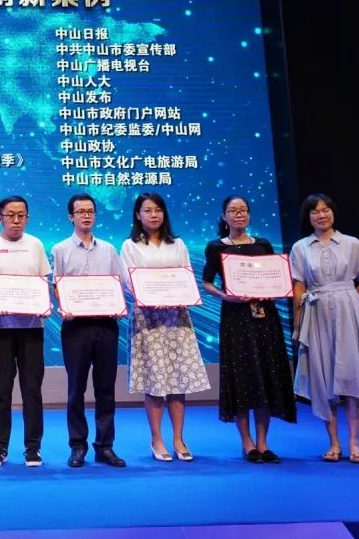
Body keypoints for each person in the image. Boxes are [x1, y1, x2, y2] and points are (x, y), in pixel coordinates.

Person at [291, 193, 359, 463]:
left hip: (349, 314)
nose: (321, 215)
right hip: (316, 313)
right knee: (324, 377)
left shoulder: (352, 243)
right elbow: (298, 286)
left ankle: (355, 443)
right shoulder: (300, 247)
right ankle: (333, 443)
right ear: (308, 217)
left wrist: (348, 298)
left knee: (352, 374)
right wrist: (298, 325)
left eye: (326, 210)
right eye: (315, 211)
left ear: (333, 213)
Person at [200, 196, 296, 464]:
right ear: (225, 217)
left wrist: (276, 288)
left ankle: (263, 443)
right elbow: (207, 282)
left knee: (265, 375)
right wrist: (226, 296)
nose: (239, 214)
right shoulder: (216, 247)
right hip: (235, 318)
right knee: (241, 378)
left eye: (243, 210)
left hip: (265, 317)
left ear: (250, 215)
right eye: (233, 211)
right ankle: (247, 443)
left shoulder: (263, 244)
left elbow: (277, 276)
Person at [121, 192, 209, 462]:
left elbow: (186, 275)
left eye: (158, 210)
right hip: (148, 318)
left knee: (178, 379)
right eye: (148, 210)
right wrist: (149, 297)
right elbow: (127, 281)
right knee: (154, 380)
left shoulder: (177, 244)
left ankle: (179, 439)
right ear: (138, 215)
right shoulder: (130, 246)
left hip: (176, 317)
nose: (154, 215)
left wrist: (178, 296)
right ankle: (157, 439)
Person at [51, 193, 127, 468]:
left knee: (106, 388)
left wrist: (118, 304)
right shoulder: (60, 249)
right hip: (76, 326)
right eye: (80, 211)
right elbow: (57, 286)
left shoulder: (108, 249)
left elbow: (118, 284)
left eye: (90, 211)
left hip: (106, 324)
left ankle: (105, 446)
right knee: (76, 388)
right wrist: (66, 305)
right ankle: (78, 445)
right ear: (70, 217)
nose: (86, 215)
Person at [0, 195, 51, 468]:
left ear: (27, 218)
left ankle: (33, 448)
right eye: (11, 215)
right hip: (1, 327)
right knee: (1, 390)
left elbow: (44, 281)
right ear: (0, 218)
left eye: (21, 215)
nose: (16, 220)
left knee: (32, 389)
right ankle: (0, 447)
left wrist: (39, 301)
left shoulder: (36, 245)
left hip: (32, 327)